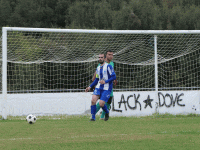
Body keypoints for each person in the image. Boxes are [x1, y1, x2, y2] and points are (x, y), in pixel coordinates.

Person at [85, 53, 116, 121]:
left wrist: (105, 81)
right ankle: (93, 117)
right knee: (93, 100)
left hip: (107, 88)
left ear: (104, 58)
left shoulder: (108, 66)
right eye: (99, 57)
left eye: (101, 57)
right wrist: (89, 87)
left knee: (101, 104)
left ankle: (107, 112)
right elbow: (96, 79)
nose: (100, 58)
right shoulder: (98, 68)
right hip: (99, 87)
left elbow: (114, 77)